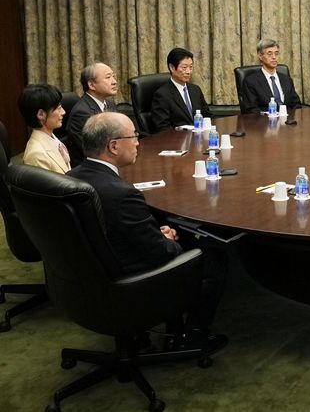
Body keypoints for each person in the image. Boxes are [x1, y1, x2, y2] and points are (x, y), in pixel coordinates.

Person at [67, 112, 227, 352]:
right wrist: (168, 240)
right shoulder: (122, 195)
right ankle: (191, 336)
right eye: (133, 136)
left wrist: (153, 232)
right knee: (214, 258)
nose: (138, 142)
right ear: (113, 146)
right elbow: (162, 253)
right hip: (127, 282)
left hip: (83, 282)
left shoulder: (71, 179)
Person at [65, 62, 118, 166]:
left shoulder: (110, 103)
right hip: (91, 169)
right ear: (91, 85)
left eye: (113, 76)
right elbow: (96, 151)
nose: (114, 82)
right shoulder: (82, 113)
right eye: (108, 77)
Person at [151, 47, 213, 131]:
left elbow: (207, 116)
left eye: (190, 67)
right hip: (177, 141)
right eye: (184, 67)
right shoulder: (162, 95)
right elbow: (163, 128)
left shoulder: (195, 90)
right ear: (172, 67)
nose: (188, 72)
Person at [18, 84, 71, 174]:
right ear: (41, 114)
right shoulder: (36, 155)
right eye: (58, 108)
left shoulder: (53, 138)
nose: (63, 112)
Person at [241, 39, 302, 114]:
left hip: (288, 121)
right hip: (264, 123)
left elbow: (297, 105)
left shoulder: (286, 80)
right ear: (260, 56)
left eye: (276, 54)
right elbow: (251, 109)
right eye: (269, 54)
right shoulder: (251, 81)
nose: (274, 57)